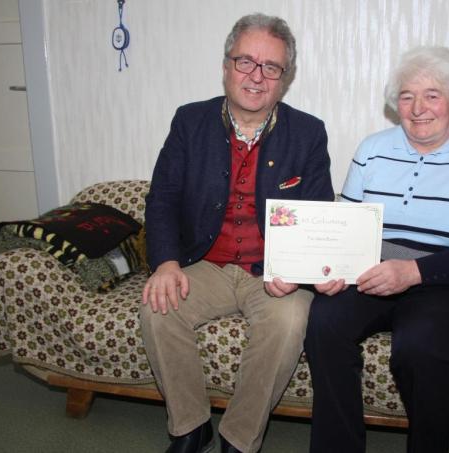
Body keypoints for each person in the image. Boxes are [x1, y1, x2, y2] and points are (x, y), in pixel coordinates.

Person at [304, 46, 449, 453]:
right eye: (406, 96)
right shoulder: (372, 148)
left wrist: (415, 272)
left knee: (420, 341)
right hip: (374, 275)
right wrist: (334, 270)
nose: (418, 108)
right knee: (324, 322)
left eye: (432, 95)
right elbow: (346, 224)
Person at [139, 13, 334, 453]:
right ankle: (189, 428)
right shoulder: (189, 122)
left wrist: (301, 272)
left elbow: (319, 215)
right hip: (204, 263)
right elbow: (163, 198)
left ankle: (238, 439)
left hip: (272, 271)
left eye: (271, 67)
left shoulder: (308, 133)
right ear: (226, 66)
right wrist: (166, 263)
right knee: (158, 309)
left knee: (289, 321)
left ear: (285, 78)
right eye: (245, 61)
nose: (256, 76)